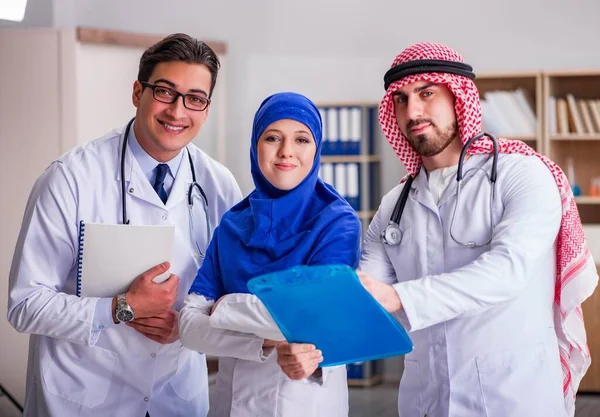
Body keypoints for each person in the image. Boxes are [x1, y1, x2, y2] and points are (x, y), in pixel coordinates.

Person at [278, 42, 599, 417]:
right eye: (400, 99)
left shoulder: (522, 175)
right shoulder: (395, 204)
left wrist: (398, 297)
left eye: (426, 93)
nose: (412, 111)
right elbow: (364, 295)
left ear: (459, 98)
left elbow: (507, 272)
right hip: (425, 401)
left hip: (512, 397)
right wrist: (312, 350)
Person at [7, 33, 242, 417]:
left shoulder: (218, 184)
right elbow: (25, 305)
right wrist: (120, 308)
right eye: (165, 91)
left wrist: (188, 327)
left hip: (176, 396)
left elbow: (231, 295)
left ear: (206, 108)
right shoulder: (70, 178)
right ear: (138, 93)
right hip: (83, 396)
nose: (178, 111)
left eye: (195, 99)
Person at [178, 92, 361, 417]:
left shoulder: (336, 223)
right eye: (272, 137)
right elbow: (189, 328)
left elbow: (314, 319)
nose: (286, 151)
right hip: (231, 405)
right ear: (255, 145)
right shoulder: (233, 224)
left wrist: (224, 307)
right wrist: (261, 342)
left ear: (316, 147)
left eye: (302, 139)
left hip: (306, 406)